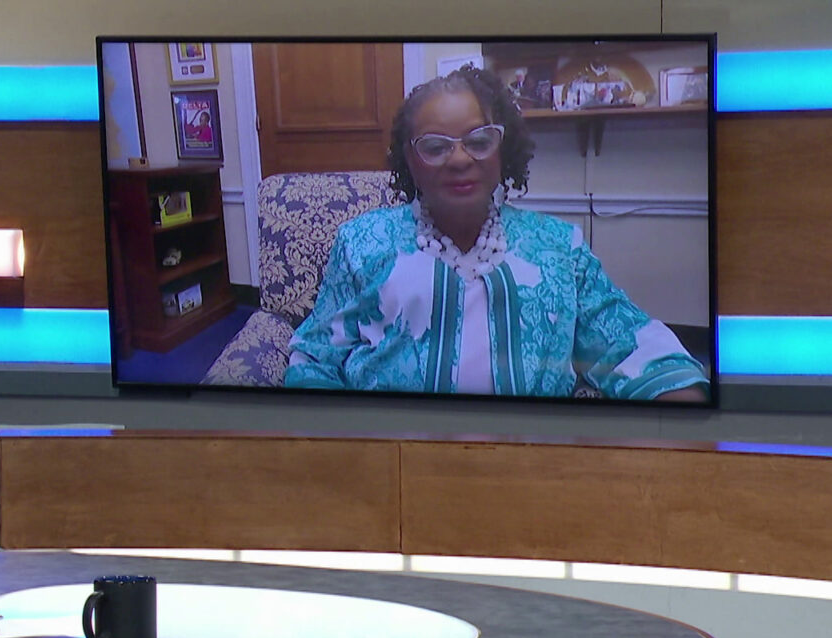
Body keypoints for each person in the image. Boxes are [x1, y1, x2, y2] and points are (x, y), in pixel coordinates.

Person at [284, 66, 709, 401]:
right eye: (435, 147)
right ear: (409, 161)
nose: (459, 159)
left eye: (478, 141)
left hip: (530, 459)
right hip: (393, 458)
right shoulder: (360, 243)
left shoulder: (560, 248)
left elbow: (630, 343)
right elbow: (315, 357)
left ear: (502, 150)